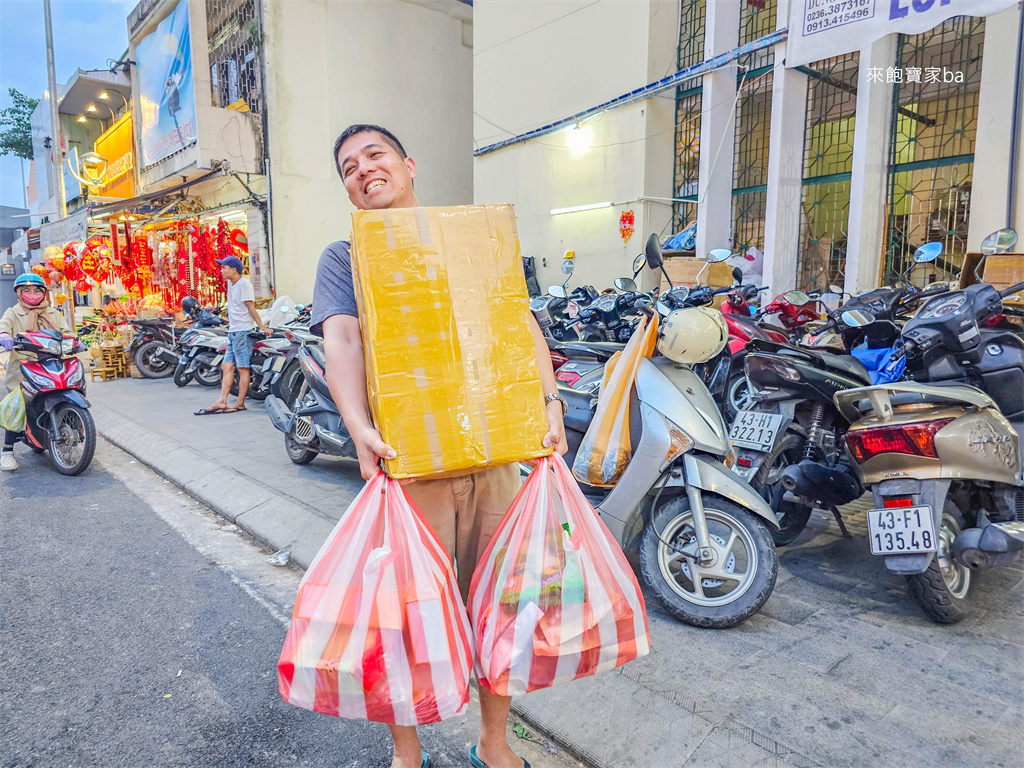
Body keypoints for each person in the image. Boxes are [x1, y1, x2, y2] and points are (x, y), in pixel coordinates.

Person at [310, 124, 567, 768]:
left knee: (504, 604)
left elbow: (517, 319)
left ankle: (494, 743)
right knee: (403, 617)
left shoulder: (470, 240)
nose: (363, 169)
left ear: (408, 163)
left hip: (494, 455)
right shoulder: (346, 256)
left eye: (375, 155)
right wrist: (357, 426)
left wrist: (551, 402)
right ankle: (407, 752)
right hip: (410, 465)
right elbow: (340, 339)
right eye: (348, 166)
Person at [0, 273, 70, 471]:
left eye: (37, 290)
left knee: (65, 393)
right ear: (19, 293)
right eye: (26, 291)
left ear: (44, 293)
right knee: (18, 404)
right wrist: (4, 337)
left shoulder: (53, 313)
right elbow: (3, 327)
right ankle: (7, 450)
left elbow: (67, 332)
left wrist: (75, 341)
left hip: (52, 364)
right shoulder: (13, 313)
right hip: (24, 368)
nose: (32, 294)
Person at [197, 256, 270, 415]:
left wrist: (262, 327)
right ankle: (222, 401)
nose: (222, 270)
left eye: (224, 267)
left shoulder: (245, 285)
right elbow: (236, 307)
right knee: (226, 365)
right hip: (234, 331)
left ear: (233, 270)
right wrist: (232, 321)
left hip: (243, 332)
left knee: (243, 368)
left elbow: (251, 308)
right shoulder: (231, 283)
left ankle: (240, 402)